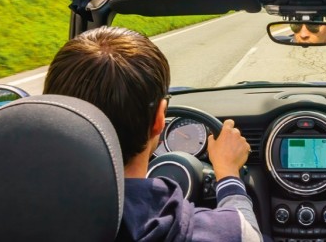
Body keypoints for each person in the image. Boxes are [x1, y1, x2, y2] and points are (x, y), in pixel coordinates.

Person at [44, 26, 261, 242]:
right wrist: (228, 173)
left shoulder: (18, 208)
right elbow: (249, 234)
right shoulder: (206, 232)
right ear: (159, 119)